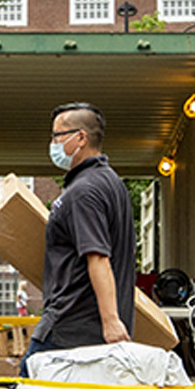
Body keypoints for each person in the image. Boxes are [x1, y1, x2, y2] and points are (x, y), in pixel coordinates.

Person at [26, 102, 137, 361]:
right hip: (89, 331)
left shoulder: (83, 192)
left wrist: (110, 321)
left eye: (57, 136)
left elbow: (97, 256)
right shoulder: (112, 184)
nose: (53, 144)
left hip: (70, 329)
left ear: (80, 138)